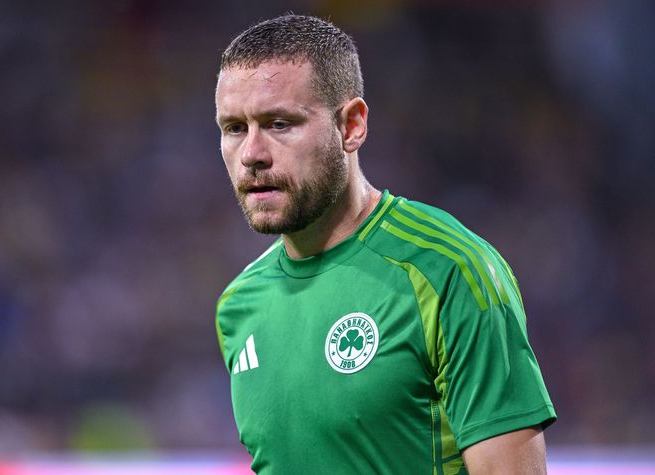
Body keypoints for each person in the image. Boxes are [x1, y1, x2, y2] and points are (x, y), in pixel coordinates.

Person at [214, 14, 556, 474]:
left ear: (352, 126)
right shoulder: (238, 307)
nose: (252, 153)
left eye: (279, 123)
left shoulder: (448, 271)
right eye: (234, 128)